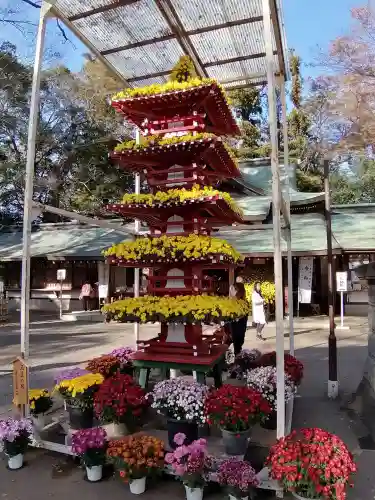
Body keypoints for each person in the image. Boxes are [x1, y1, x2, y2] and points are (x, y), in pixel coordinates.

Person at [229, 281, 249, 356]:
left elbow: (243, 316)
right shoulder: (232, 301)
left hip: (238, 329)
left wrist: (237, 317)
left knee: (237, 345)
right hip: (236, 329)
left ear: (238, 291)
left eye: (233, 289)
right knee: (237, 346)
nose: (231, 291)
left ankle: (237, 357)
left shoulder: (242, 302)